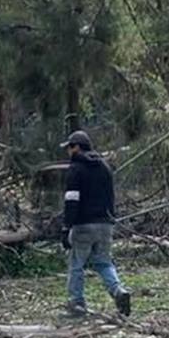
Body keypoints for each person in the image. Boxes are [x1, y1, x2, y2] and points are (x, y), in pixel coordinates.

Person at [60, 130, 131, 318]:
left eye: (69, 147)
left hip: (84, 225)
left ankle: (77, 303)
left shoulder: (75, 169)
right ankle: (118, 291)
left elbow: (72, 200)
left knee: (77, 264)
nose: (68, 151)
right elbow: (111, 197)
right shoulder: (104, 167)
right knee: (103, 262)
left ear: (77, 147)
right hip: (106, 224)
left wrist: (66, 226)